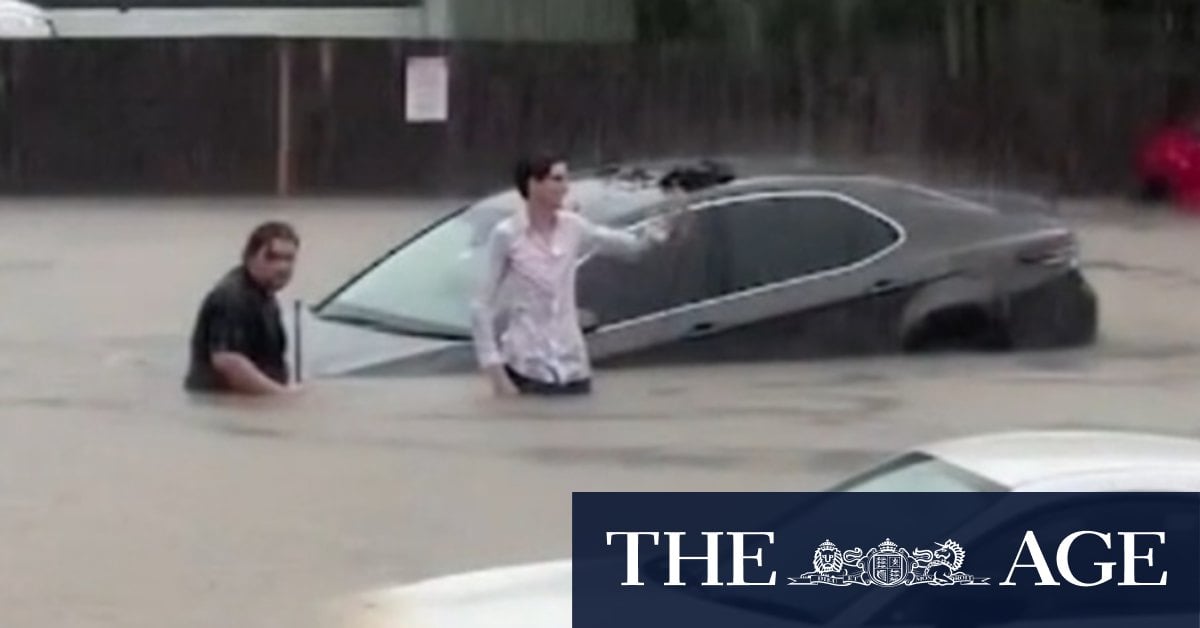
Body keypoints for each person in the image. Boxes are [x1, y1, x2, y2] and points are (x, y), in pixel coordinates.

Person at [471, 153, 675, 397]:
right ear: (533, 184)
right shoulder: (506, 234)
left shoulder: (573, 226)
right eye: (556, 180)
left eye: (565, 179)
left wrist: (662, 226)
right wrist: (497, 376)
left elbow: (630, 247)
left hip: (573, 369)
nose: (565, 187)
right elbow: (481, 305)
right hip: (526, 370)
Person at [184, 221, 300, 396]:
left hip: (255, 406)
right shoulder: (232, 296)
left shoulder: (264, 295)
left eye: (289, 259)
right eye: (272, 257)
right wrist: (282, 396)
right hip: (224, 407)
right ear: (249, 257)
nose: (283, 267)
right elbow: (229, 362)